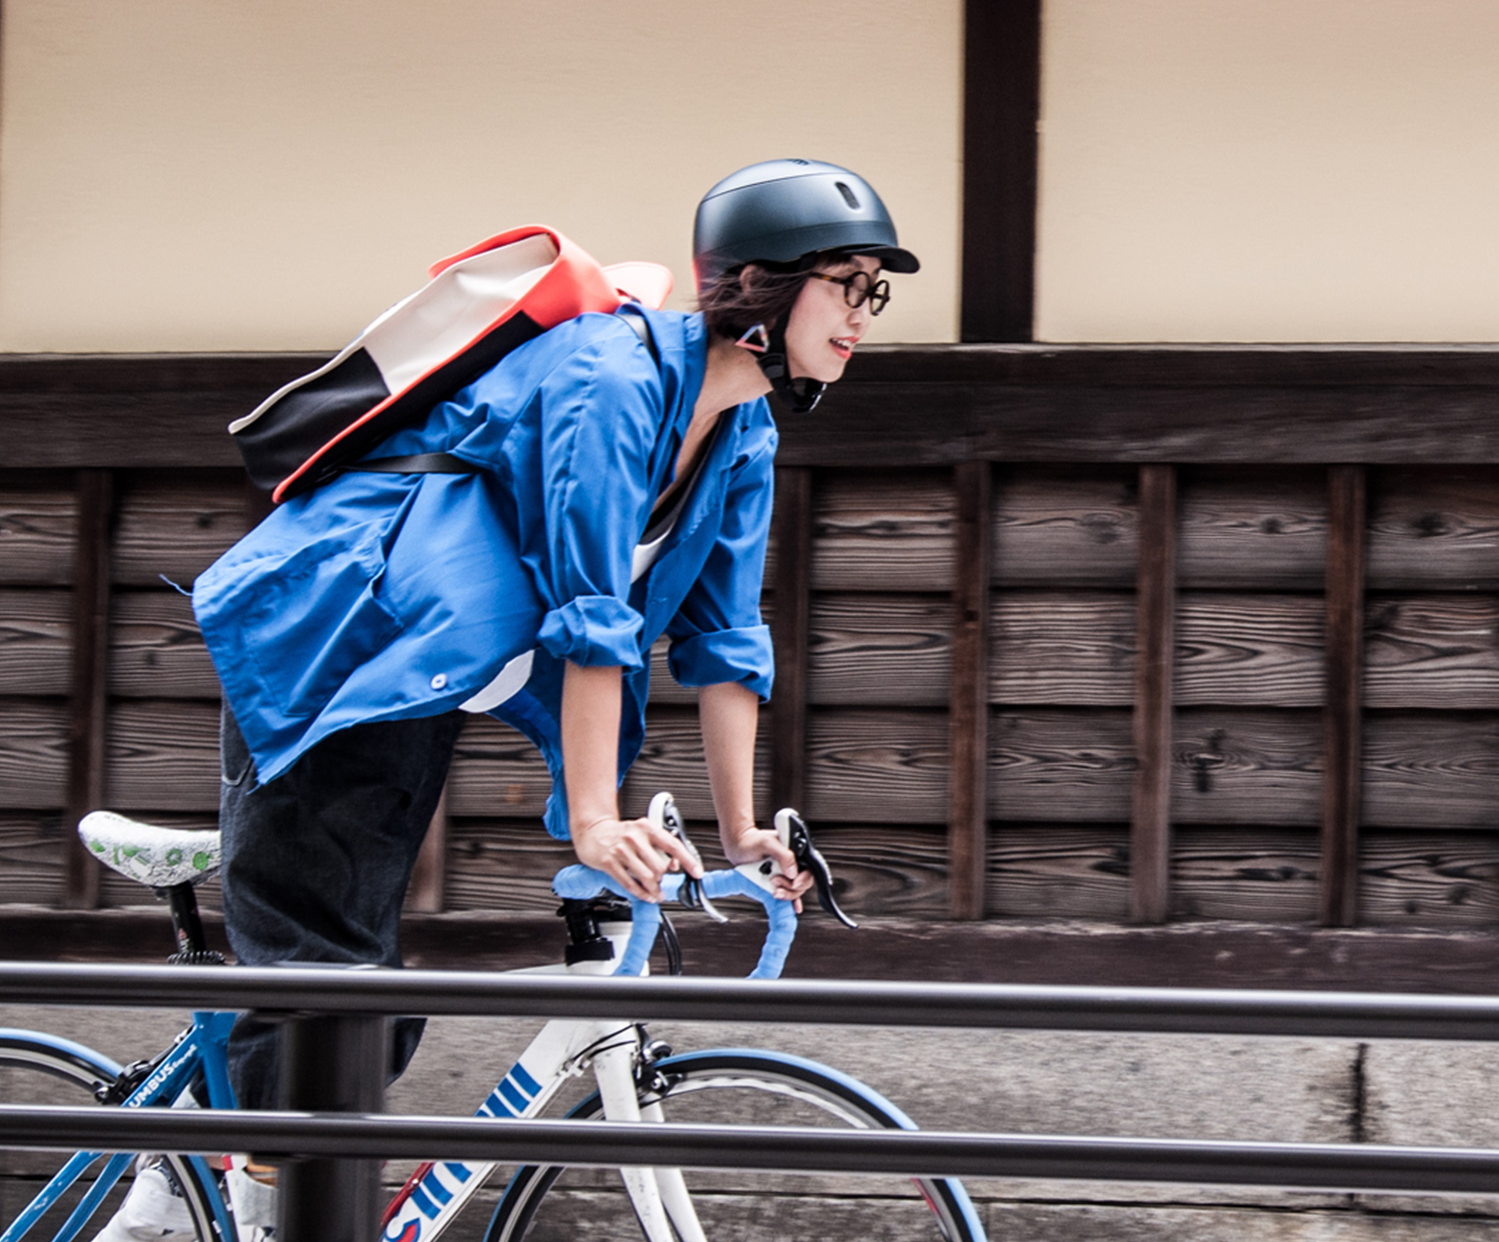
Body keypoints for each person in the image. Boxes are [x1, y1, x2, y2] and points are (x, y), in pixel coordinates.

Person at [98, 157, 918, 1241]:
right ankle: (265, 1215)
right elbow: (590, 613)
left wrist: (741, 830)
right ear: (762, 285)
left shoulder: (745, 429)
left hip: (417, 680)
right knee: (334, 1003)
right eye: (845, 281)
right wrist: (591, 817)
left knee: (353, 1008)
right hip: (333, 651)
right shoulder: (612, 377)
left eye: (876, 290)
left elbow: (722, 642)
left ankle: (186, 1174)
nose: (862, 312)